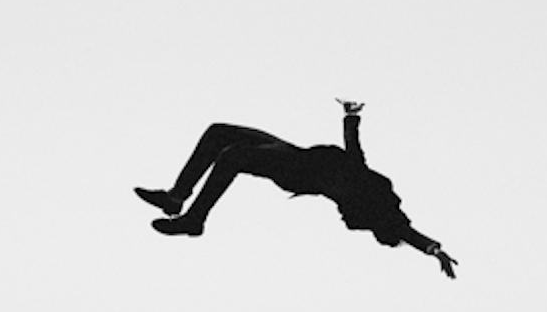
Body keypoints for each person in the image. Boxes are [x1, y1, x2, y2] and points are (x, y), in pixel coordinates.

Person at [134, 100, 458, 278]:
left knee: (231, 156)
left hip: (295, 169)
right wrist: (434, 250)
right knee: (219, 132)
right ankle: (176, 198)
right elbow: (408, 232)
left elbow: (403, 228)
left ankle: (194, 219)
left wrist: (351, 118)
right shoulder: (375, 201)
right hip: (294, 154)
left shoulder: (367, 200)